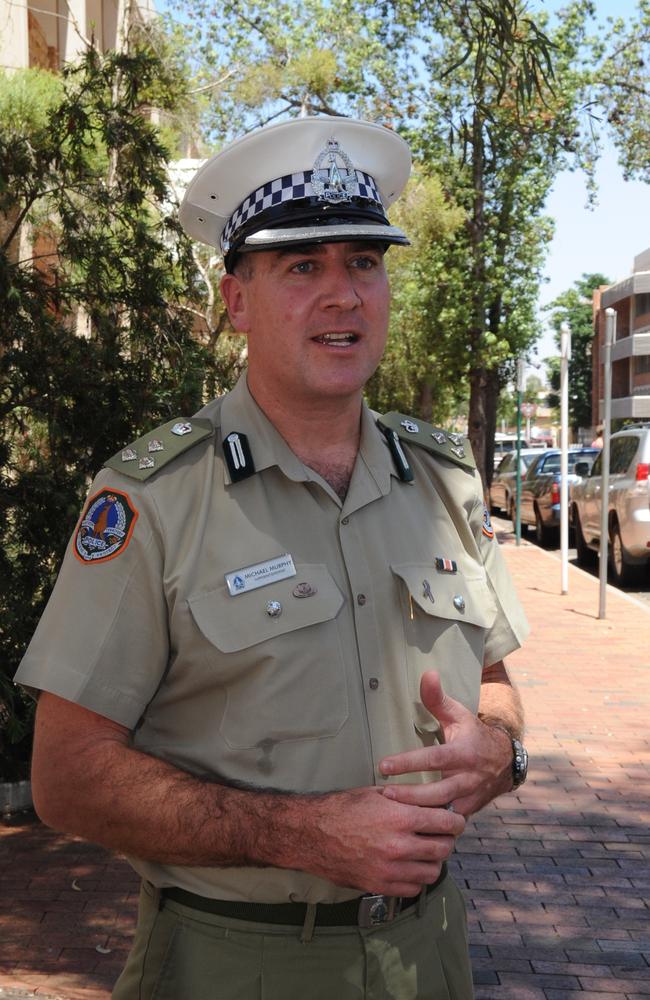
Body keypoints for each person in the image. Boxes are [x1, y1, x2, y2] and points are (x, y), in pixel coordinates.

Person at [15, 116, 529, 1000]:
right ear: (237, 301)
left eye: (364, 262)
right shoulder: (157, 497)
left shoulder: (443, 479)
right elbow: (66, 778)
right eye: (304, 265)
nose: (343, 294)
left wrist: (503, 755)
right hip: (233, 964)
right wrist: (297, 834)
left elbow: (498, 685)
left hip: (430, 956)